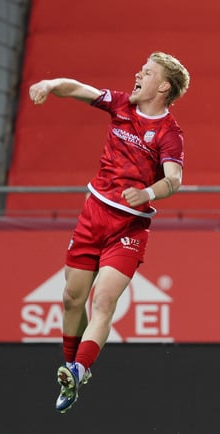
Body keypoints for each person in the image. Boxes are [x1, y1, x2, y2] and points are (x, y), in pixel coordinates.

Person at [28, 51, 191, 413]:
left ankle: (78, 367)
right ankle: (72, 373)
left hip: (129, 227)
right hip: (93, 214)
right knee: (72, 298)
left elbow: (174, 180)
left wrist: (147, 193)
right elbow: (80, 89)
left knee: (102, 301)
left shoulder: (169, 133)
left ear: (163, 86)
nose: (138, 74)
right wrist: (52, 84)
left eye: (146, 73)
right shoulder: (120, 105)